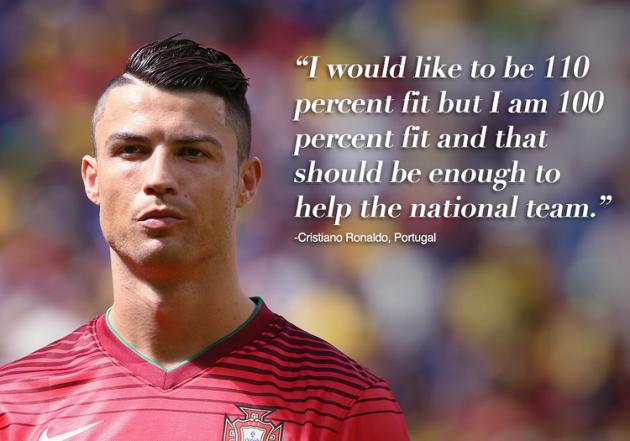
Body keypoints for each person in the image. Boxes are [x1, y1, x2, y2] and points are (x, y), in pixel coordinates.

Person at [0, 36, 410, 440]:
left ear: (246, 182)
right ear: (92, 179)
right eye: (132, 150)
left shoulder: (345, 405)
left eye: (192, 152)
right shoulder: (14, 406)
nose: (159, 178)